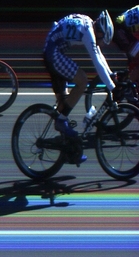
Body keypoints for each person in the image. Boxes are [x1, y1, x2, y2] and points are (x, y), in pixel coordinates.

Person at [43, 11, 116, 164]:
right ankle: (61, 121)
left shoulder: (89, 23)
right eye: (103, 40)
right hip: (53, 51)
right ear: (100, 32)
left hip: (54, 48)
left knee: (64, 104)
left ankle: (69, 151)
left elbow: (99, 54)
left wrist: (111, 74)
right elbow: (96, 59)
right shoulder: (88, 31)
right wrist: (111, 86)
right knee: (82, 81)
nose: (102, 43)